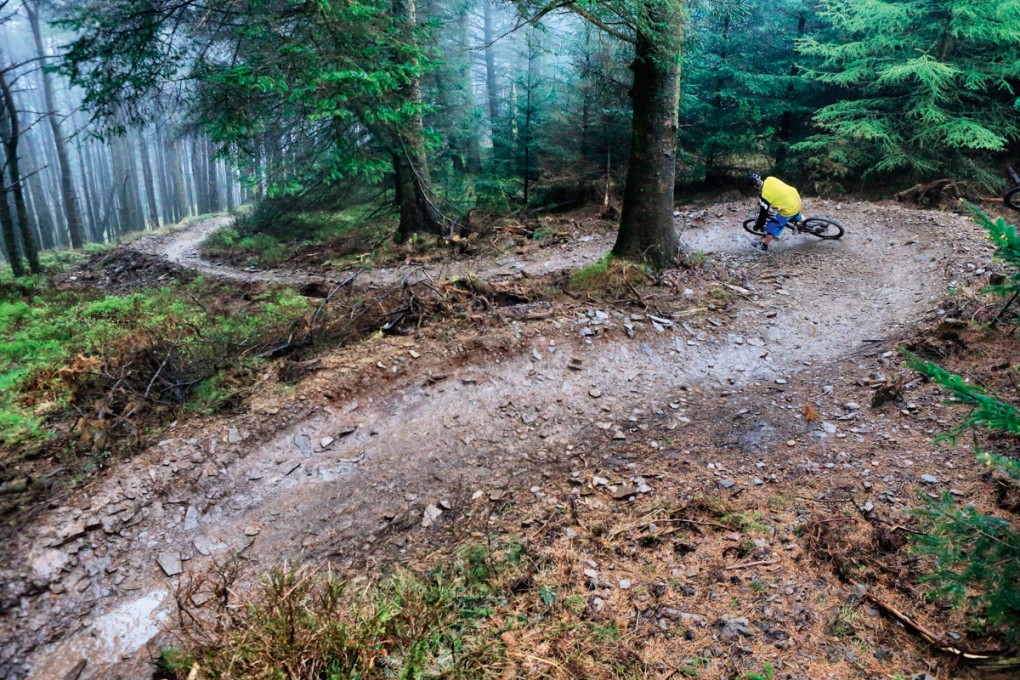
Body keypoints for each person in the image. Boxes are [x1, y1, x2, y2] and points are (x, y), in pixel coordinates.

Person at [748, 174, 803, 252]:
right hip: (796, 199)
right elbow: (776, 192)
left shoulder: (765, 195)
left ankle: (764, 246)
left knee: (772, 226)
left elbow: (763, 215)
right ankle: (806, 223)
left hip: (790, 209)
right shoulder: (770, 179)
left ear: (754, 186)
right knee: (794, 212)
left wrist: (757, 226)